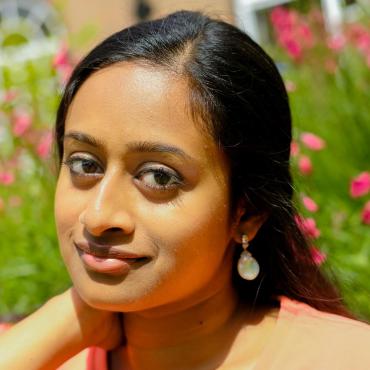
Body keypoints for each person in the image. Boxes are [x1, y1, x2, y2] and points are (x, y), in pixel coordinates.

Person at [0, 10, 369, 370]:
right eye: (85, 164)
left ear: (248, 211)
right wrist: (65, 320)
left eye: (159, 177)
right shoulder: (37, 352)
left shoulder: (346, 358)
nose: (98, 216)